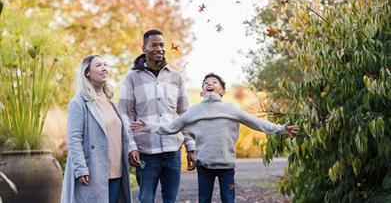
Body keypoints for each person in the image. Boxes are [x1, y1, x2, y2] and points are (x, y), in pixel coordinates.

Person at [131, 73, 299, 203]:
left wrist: (281, 129)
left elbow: (256, 123)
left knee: (228, 200)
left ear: (222, 91)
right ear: (202, 91)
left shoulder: (230, 109)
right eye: (206, 83)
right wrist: (148, 126)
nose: (210, 84)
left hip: (227, 166)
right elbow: (171, 128)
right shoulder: (194, 111)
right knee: (204, 200)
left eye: (214, 82)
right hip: (204, 166)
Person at [118, 29, 195, 203]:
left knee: (171, 200)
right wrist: (131, 146)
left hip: (173, 151)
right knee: (145, 199)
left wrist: (190, 146)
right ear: (144, 47)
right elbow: (125, 113)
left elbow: (184, 113)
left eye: (162, 45)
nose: (159, 48)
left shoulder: (176, 77)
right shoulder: (131, 78)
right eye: (154, 45)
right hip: (146, 152)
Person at [61, 55, 132, 203]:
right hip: (93, 171)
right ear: (87, 72)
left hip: (117, 170)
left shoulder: (110, 101)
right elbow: (74, 138)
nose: (104, 68)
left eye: (105, 64)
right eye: (99, 65)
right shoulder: (79, 103)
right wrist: (80, 169)